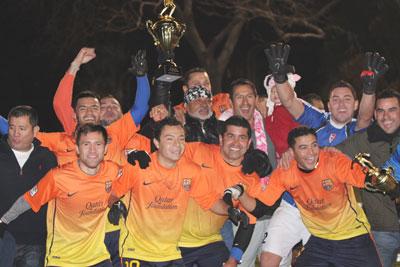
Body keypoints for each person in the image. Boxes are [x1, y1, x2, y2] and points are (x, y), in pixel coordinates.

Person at [260, 43, 388, 266]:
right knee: (268, 259)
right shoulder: (316, 121)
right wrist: (280, 77)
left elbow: (367, 118)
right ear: (328, 104)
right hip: (294, 204)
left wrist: (369, 88)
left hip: (328, 216)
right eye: (336, 99)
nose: (341, 103)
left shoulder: (357, 131)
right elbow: (290, 102)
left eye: (347, 99)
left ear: (356, 104)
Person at [108, 117, 245, 266]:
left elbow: (210, 200)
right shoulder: (139, 167)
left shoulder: (191, 171)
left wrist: (229, 210)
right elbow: (113, 193)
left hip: (170, 253)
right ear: (156, 143)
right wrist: (114, 206)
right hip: (135, 252)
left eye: (181, 139)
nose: (177, 145)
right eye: (170, 139)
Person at [238, 126, 382, 267]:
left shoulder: (334, 161)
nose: (311, 153)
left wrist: (378, 179)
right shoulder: (285, 171)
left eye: (314, 145)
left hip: (353, 236)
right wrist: (240, 193)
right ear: (292, 152)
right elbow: (261, 208)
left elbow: (368, 180)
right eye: (303, 148)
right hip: (320, 239)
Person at [0, 124, 140, 266]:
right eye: (86, 144)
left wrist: (114, 201)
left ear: (105, 149)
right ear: (78, 149)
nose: (92, 150)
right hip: (63, 259)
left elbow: (125, 179)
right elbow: (28, 200)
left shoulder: (111, 170)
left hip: (97, 257)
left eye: (98, 144)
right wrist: (3, 220)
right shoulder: (58, 177)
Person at [179, 116, 277, 267]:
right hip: (173, 240)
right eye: (230, 136)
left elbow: (248, 223)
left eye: (242, 138)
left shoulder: (251, 179)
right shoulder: (198, 151)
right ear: (221, 139)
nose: (236, 143)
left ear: (249, 143)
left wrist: (233, 259)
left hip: (210, 241)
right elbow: (165, 155)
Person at [337, 89, 400, 267]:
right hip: (380, 231)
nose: (386, 116)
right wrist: (295, 150)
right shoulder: (363, 139)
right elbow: (330, 154)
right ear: (374, 113)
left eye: (392, 109)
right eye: (380, 110)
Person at [219, 78, 278, 267]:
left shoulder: (269, 122)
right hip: (245, 209)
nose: (245, 102)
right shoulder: (223, 130)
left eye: (249, 96)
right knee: (244, 263)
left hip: (274, 206)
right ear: (230, 101)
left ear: (257, 98)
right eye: (239, 97)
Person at [0, 106, 57, 267]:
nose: (15, 133)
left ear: (35, 130)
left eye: (22, 128)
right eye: (12, 127)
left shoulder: (47, 158)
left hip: (35, 242)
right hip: (3, 239)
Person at [52, 47, 150, 133]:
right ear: (95, 114)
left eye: (115, 106)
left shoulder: (125, 132)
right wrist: (75, 65)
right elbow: (60, 104)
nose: (109, 109)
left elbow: (140, 108)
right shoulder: (80, 131)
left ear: (123, 114)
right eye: (103, 107)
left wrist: (141, 76)